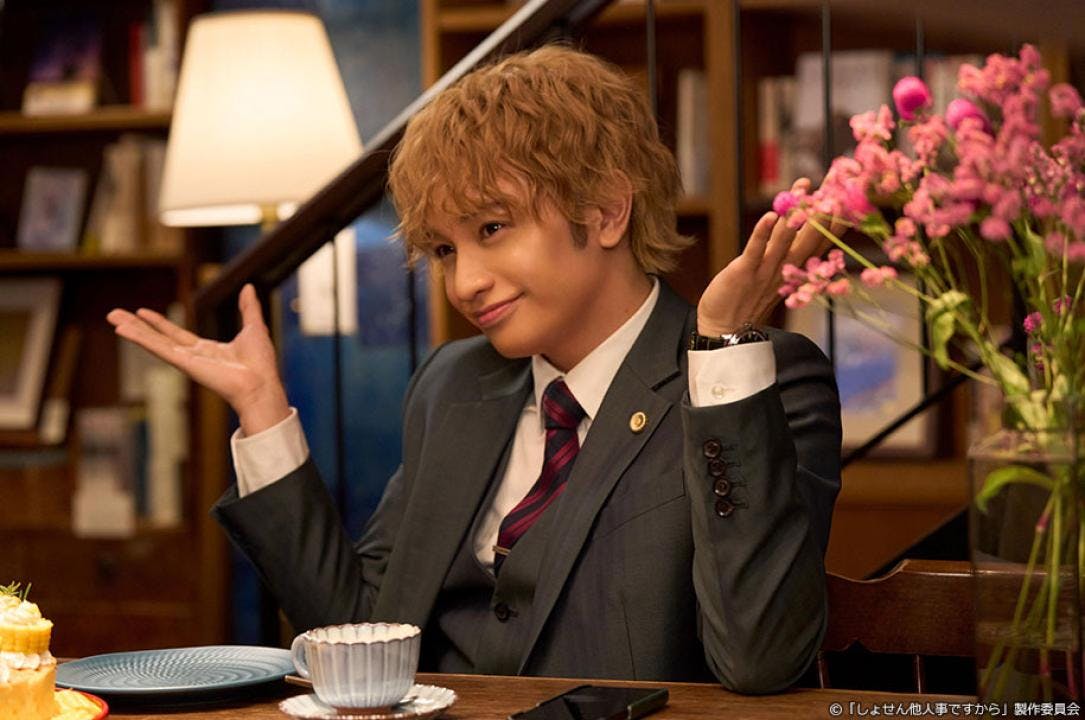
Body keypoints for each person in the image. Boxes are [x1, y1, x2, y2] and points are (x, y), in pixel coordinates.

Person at [107, 45, 841, 694]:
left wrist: (721, 353)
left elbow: (761, 659)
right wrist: (264, 412)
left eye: (492, 228)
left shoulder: (761, 381)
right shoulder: (452, 384)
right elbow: (358, 634)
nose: (463, 284)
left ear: (605, 211)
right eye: (445, 250)